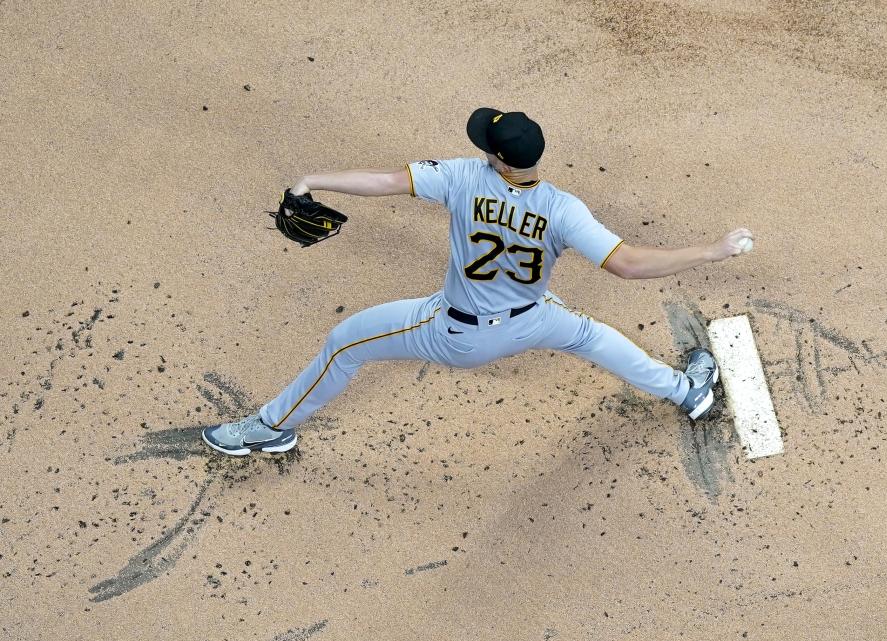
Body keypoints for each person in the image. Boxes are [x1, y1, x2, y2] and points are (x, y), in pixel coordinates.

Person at [202, 108, 753, 456]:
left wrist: (312, 179)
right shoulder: (563, 209)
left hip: (458, 334)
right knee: (588, 334)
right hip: (534, 318)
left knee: (346, 341)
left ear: (495, 158)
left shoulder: (465, 177)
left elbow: (387, 180)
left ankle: (269, 428)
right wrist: (713, 249)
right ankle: (688, 393)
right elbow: (628, 264)